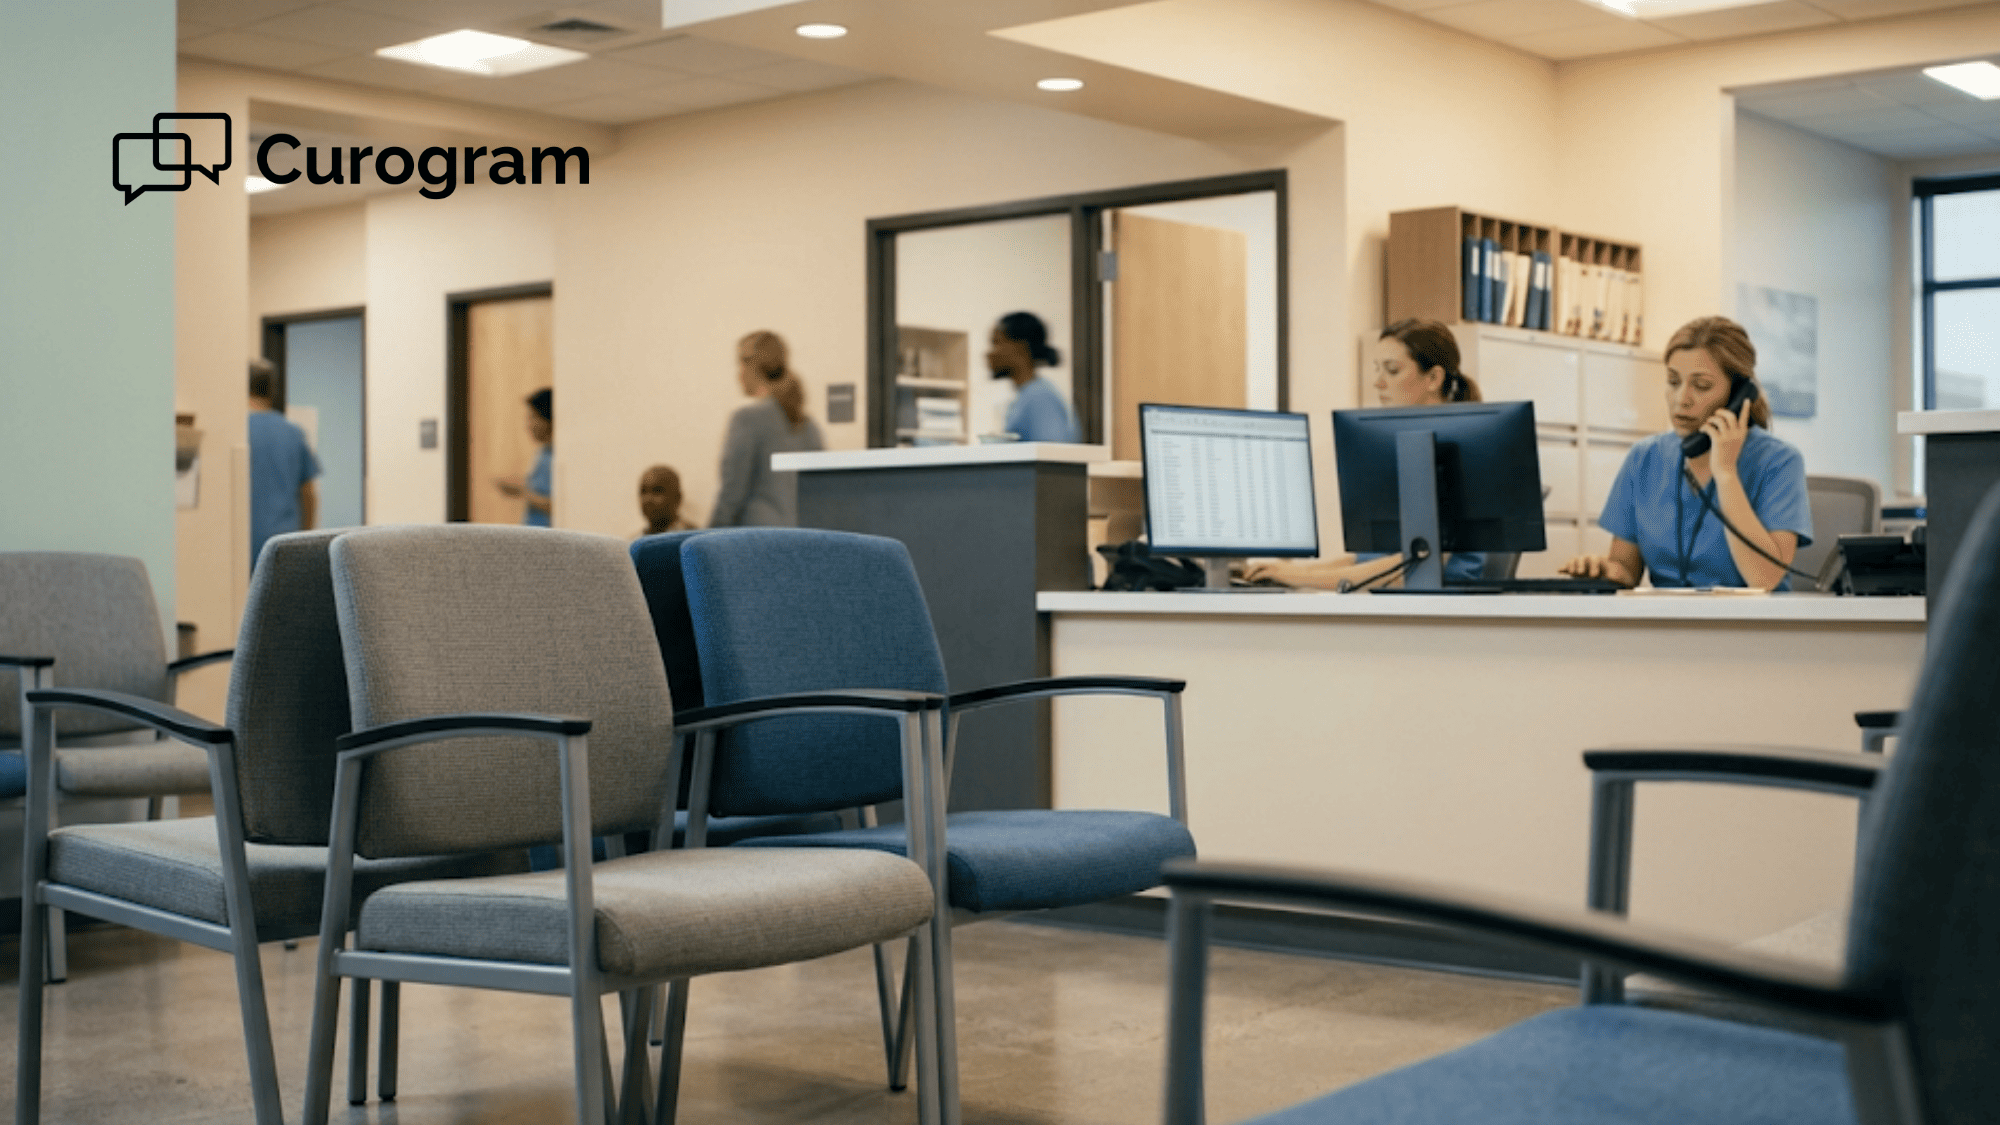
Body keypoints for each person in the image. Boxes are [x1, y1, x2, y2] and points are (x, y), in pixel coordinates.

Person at [1560, 315, 1811, 590]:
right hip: (1666, 616)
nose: (1682, 399)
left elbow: (1764, 579)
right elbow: (1626, 569)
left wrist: (1726, 473)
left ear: (1738, 393)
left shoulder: (1779, 462)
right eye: (1673, 381)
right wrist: (1604, 570)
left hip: (1750, 617)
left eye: (1701, 386)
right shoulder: (1644, 457)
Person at [1245, 319, 1486, 590]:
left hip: (1440, 609)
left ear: (1433, 378)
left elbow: (1416, 567)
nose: (1378, 383)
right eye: (1377, 369)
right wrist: (1289, 570)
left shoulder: (1457, 457)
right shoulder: (1409, 452)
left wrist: (1296, 577)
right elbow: (1370, 561)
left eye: (1392, 370)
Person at [711, 330, 825, 527]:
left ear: (751, 366)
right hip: (801, 537)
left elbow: (732, 493)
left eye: (739, 364)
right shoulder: (808, 427)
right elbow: (821, 493)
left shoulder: (746, 419)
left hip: (757, 537)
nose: (738, 374)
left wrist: (708, 536)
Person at [246, 359, 319, 568]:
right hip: (285, 545)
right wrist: (305, 540)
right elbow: (308, 494)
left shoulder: (237, 433)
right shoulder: (293, 433)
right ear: (272, 391)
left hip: (243, 541)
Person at [988, 311, 1078, 443]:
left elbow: (1051, 451)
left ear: (1019, 348)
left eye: (996, 343)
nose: (989, 354)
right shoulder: (1025, 397)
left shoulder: (1040, 398)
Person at [495, 388, 553, 527]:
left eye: (533, 417)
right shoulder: (544, 453)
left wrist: (522, 492)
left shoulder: (557, 458)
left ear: (548, 420)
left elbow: (558, 506)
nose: (529, 425)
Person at [633, 464, 696, 539]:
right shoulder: (633, 541)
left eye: (657, 491)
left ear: (677, 497)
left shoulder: (693, 538)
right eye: (643, 491)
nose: (648, 499)